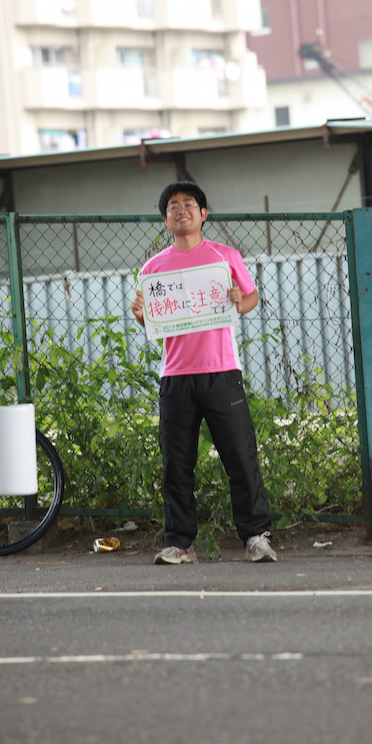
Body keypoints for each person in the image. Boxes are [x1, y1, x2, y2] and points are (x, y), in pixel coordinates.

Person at [130, 180, 276, 565]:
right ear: (165, 219)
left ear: (203, 213)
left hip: (222, 371)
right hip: (175, 376)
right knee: (176, 463)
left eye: (188, 204)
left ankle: (256, 537)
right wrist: (141, 314)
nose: (181, 211)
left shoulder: (225, 257)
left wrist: (239, 300)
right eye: (173, 206)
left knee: (240, 457)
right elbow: (152, 322)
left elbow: (250, 297)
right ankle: (179, 543)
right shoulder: (152, 269)